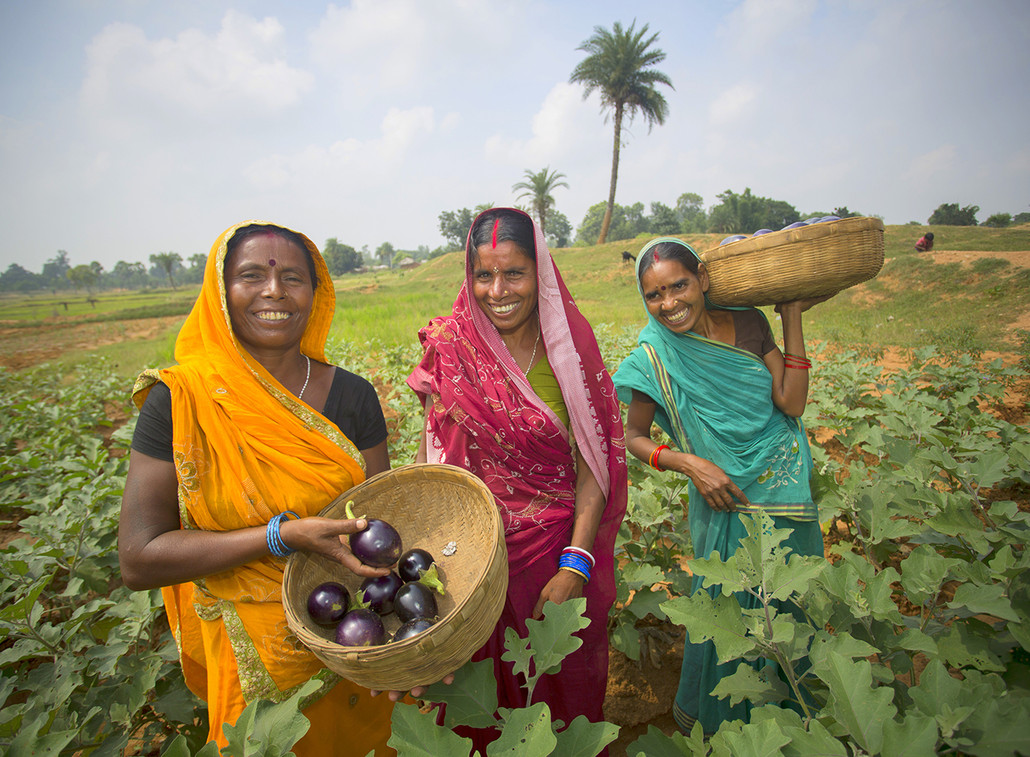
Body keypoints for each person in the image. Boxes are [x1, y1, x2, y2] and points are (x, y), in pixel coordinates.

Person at [119, 220, 398, 755]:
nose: (274, 291)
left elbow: (379, 533)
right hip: (256, 666)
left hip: (351, 640)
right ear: (220, 294)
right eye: (251, 275)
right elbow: (139, 558)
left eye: (293, 277)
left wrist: (404, 644)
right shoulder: (181, 402)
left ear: (315, 295)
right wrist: (280, 537)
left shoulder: (353, 396)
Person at [406, 207, 627, 749]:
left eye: (514, 274)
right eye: (484, 274)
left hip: (553, 557)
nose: (497, 290)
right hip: (471, 563)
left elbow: (593, 466)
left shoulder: (568, 349)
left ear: (540, 273)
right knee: (475, 705)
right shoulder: (453, 348)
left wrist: (575, 565)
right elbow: (431, 462)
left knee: (559, 692)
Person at [612, 237, 826, 736]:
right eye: (654, 295)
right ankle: (732, 732)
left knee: (785, 604)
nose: (669, 304)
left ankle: (792, 726)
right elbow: (633, 437)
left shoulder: (750, 322)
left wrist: (791, 315)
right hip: (720, 496)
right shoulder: (654, 356)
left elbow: (791, 404)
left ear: (703, 279)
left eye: (679, 286)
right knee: (730, 614)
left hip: (781, 481)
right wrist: (690, 464)